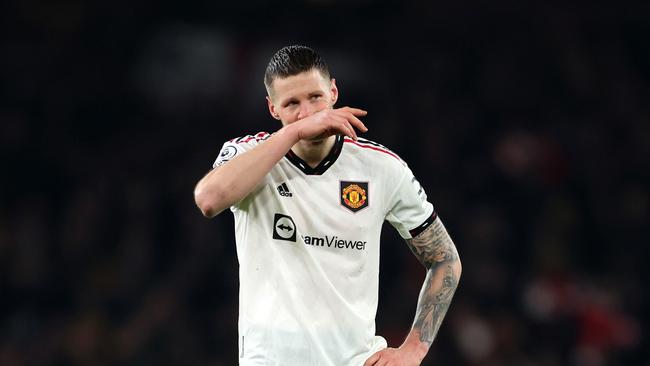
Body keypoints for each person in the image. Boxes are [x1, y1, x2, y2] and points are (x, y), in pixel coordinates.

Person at [194, 45, 461, 366]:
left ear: (334, 91)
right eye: (291, 104)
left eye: (315, 97)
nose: (308, 113)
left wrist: (414, 349)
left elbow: (445, 259)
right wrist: (294, 133)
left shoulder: (381, 167)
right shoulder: (248, 155)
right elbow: (209, 200)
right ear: (272, 109)